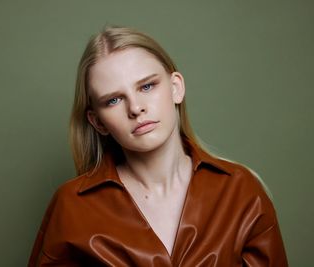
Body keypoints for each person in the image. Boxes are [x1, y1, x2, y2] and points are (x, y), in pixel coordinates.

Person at [28, 26, 288, 266]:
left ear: (176, 88)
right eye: (114, 100)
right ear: (98, 122)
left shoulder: (242, 192)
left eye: (147, 86)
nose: (136, 108)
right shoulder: (71, 206)